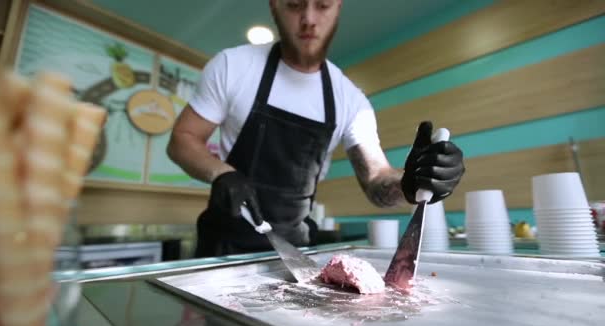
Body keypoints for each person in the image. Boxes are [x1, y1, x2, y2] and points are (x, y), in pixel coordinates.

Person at [167, 0, 465, 258]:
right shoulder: (233, 66)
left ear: (338, 7)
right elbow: (183, 139)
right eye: (295, 4)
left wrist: (411, 183)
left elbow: (377, 179)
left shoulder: (350, 100)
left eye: (322, 5)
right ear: (274, 5)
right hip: (224, 247)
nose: (308, 18)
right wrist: (221, 173)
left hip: (295, 251)